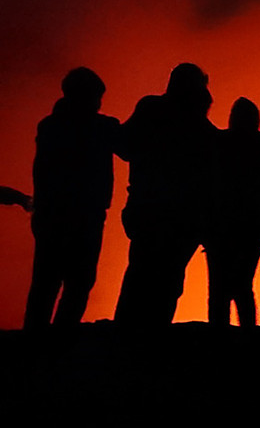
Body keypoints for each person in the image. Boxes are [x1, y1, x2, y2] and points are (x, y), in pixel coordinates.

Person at [114, 63, 218, 326]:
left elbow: (124, 146)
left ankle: (125, 336)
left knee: (139, 276)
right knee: (168, 282)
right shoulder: (205, 131)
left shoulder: (151, 109)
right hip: (184, 219)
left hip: (147, 210)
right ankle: (154, 336)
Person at [24, 67, 121, 329]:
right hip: (86, 217)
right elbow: (128, 145)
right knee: (79, 282)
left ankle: (34, 339)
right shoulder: (101, 128)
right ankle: (61, 339)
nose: (99, 104)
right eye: (96, 97)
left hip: (49, 216)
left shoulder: (49, 126)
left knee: (45, 283)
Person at [205, 97, 260, 327]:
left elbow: (205, 183)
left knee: (219, 286)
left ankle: (221, 335)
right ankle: (247, 333)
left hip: (221, 224)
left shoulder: (218, 142)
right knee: (242, 283)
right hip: (252, 225)